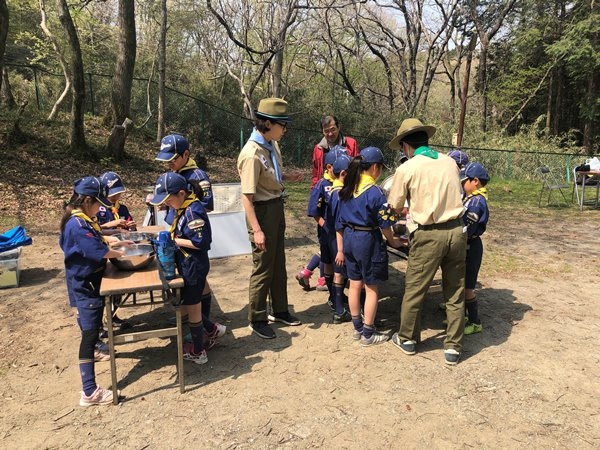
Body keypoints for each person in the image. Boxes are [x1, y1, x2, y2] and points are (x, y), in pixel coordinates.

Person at [386, 118, 467, 365]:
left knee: (415, 287)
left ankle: (408, 338)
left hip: (428, 234)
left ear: (405, 146)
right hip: (456, 231)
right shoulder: (450, 162)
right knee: (454, 290)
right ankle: (453, 346)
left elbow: (394, 206)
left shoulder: (407, 168)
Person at [237, 97, 303, 339]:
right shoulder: (251, 154)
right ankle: (257, 317)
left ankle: (280, 309)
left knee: (278, 262)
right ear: (267, 123)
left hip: (276, 207)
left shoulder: (271, 144)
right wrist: (257, 230)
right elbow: (247, 197)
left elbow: (272, 173)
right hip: (261, 213)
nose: (285, 130)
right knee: (263, 266)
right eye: (282, 125)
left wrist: (287, 176)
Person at [60, 176, 129, 406]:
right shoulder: (77, 225)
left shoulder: (81, 219)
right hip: (85, 285)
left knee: (90, 329)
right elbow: (99, 250)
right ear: (87, 200)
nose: (101, 207)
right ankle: (89, 391)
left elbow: (97, 237)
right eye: (99, 203)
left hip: (85, 281)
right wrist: (123, 253)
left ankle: (97, 351)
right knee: (89, 336)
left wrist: (114, 240)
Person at [155, 134, 225, 346]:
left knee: (198, 282)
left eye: (172, 159)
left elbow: (207, 205)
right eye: (166, 161)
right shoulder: (175, 172)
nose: (169, 164)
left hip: (191, 236)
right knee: (190, 281)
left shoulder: (197, 174)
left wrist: (184, 211)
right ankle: (191, 317)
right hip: (179, 231)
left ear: (186, 155)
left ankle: (204, 326)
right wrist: (167, 204)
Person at [336, 147, 402, 346]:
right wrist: (393, 241)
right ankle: (368, 333)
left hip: (349, 238)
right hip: (367, 240)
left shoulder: (348, 188)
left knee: (355, 284)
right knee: (372, 287)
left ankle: (357, 328)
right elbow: (386, 223)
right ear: (375, 167)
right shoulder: (376, 193)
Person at [149, 172, 214, 363]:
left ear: (181, 194)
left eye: (169, 200)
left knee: (193, 308)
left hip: (194, 265)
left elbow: (201, 242)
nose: (167, 204)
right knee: (189, 303)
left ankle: (198, 352)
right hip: (187, 264)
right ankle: (212, 329)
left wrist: (173, 240)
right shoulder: (183, 209)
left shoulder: (193, 212)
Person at [298, 116, 360, 292]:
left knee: (342, 235)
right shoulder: (318, 149)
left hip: (345, 192)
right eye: (326, 131)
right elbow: (315, 173)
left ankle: (332, 274)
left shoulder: (351, 144)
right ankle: (324, 277)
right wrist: (316, 192)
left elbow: (357, 167)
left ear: (338, 127)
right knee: (326, 237)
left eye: (333, 129)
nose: (330, 133)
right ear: (322, 132)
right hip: (326, 195)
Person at [306, 147, 345, 311]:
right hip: (328, 234)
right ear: (329, 167)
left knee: (340, 268)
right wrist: (326, 227)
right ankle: (334, 297)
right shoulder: (322, 184)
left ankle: (337, 297)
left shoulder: (346, 183)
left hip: (341, 233)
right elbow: (314, 211)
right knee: (329, 263)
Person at [459, 162, 490, 335]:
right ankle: (461, 317)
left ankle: (474, 321)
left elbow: (468, 227)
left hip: (472, 246)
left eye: (464, 181)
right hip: (467, 244)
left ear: (475, 181)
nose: (462, 184)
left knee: (468, 287)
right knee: (461, 283)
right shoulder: (470, 197)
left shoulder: (477, 201)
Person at [327, 153, 352, 323]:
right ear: (343, 174)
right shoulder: (339, 195)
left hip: (332, 238)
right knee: (340, 273)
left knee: (338, 273)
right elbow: (340, 222)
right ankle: (340, 310)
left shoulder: (332, 191)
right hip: (339, 240)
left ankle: (339, 308)